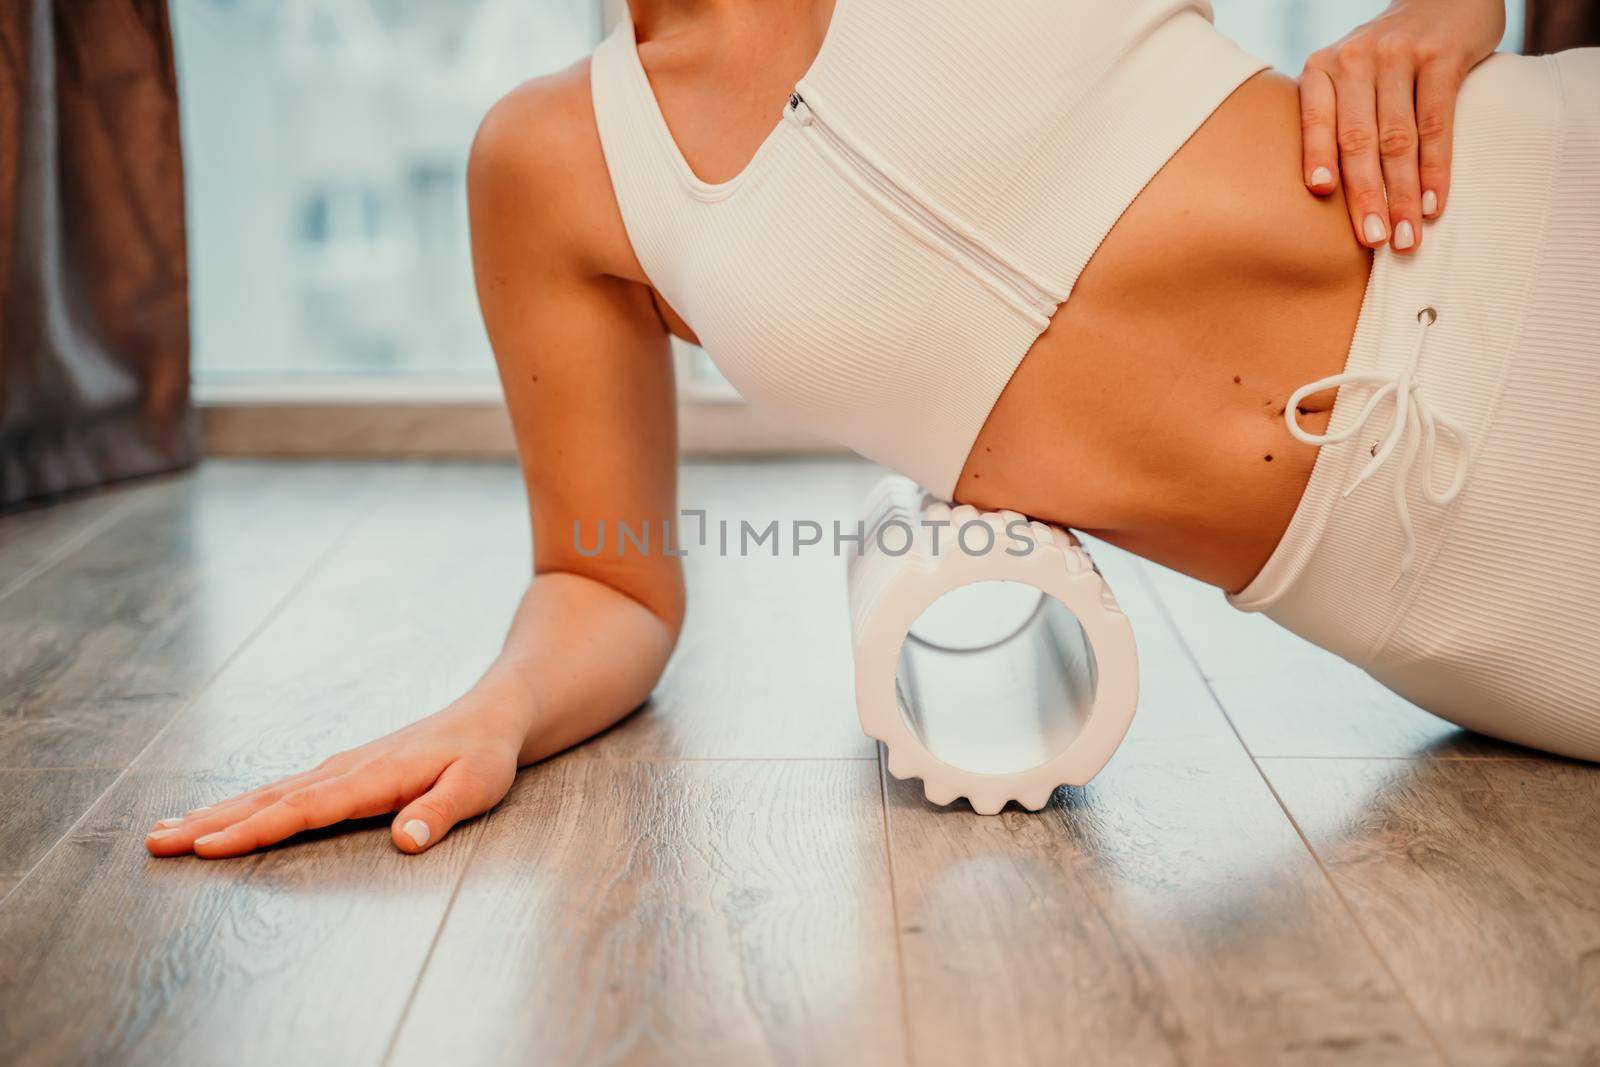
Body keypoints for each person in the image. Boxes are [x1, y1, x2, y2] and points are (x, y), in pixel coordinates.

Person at [146, 0, 1598, 859]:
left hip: (1544, 214)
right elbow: (606, 581)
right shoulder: (551, 169)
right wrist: (494, 711)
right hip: (1467, 607)